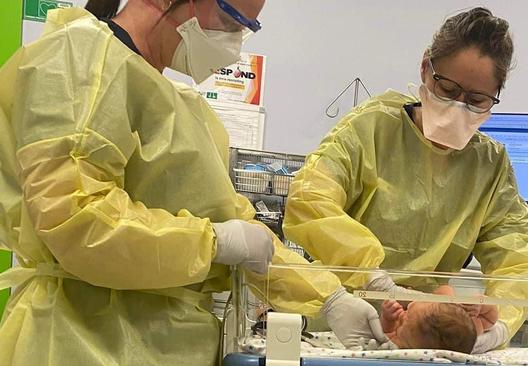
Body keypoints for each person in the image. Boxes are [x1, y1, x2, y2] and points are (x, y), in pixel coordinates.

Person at [0, 0, 388, 364]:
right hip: (80, 342)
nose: (234, 43)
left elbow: (240, 229)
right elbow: (76, 220)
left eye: (247, 27)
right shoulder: (82, 59)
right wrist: (214, 242)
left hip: (165, 345)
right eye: (231, 19)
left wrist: (330, 297)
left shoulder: (182, 106)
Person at [283, 7, 528, 354]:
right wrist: (374, 281)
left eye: (476, 100)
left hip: (429, 335)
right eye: (448, 89)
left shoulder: (489, 164)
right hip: (345, 319)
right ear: (426, 68)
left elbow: (516, 263)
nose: (458, 107)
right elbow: (310, 203)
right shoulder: (373, 128)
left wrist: (495, 328)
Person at [379, 286, 477, 352]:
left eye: (406, 315)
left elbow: (385, 335)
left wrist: (387, 320)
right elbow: (445, 288)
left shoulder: (399, 345)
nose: (410, 304)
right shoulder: (412, 337)